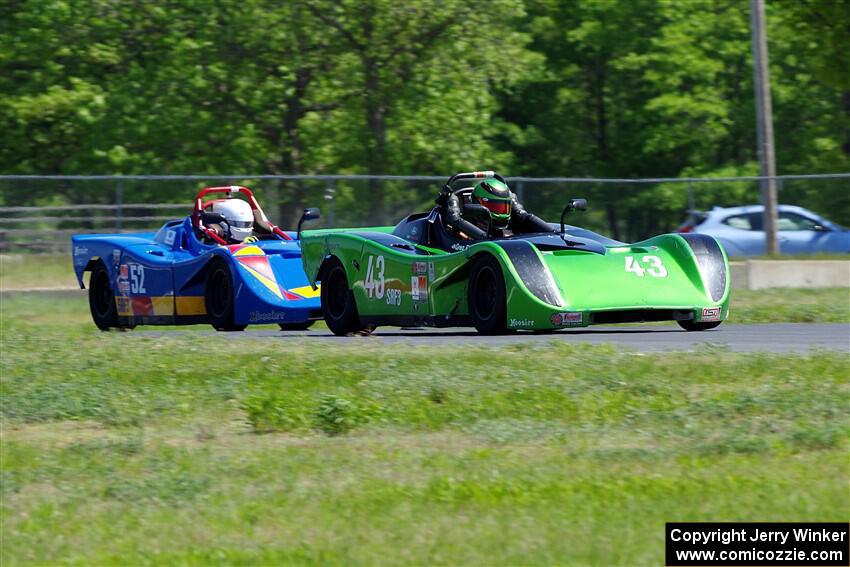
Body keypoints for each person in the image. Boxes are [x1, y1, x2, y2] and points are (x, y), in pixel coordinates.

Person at [441, 177, 552, 239]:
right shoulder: (461, 227)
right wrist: (454, 215)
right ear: (477, 204)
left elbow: (526, 219)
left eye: (503, 207)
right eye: (494, 207)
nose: (500, 212)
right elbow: (485, 240)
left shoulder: (513, 225)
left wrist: (555, 234)